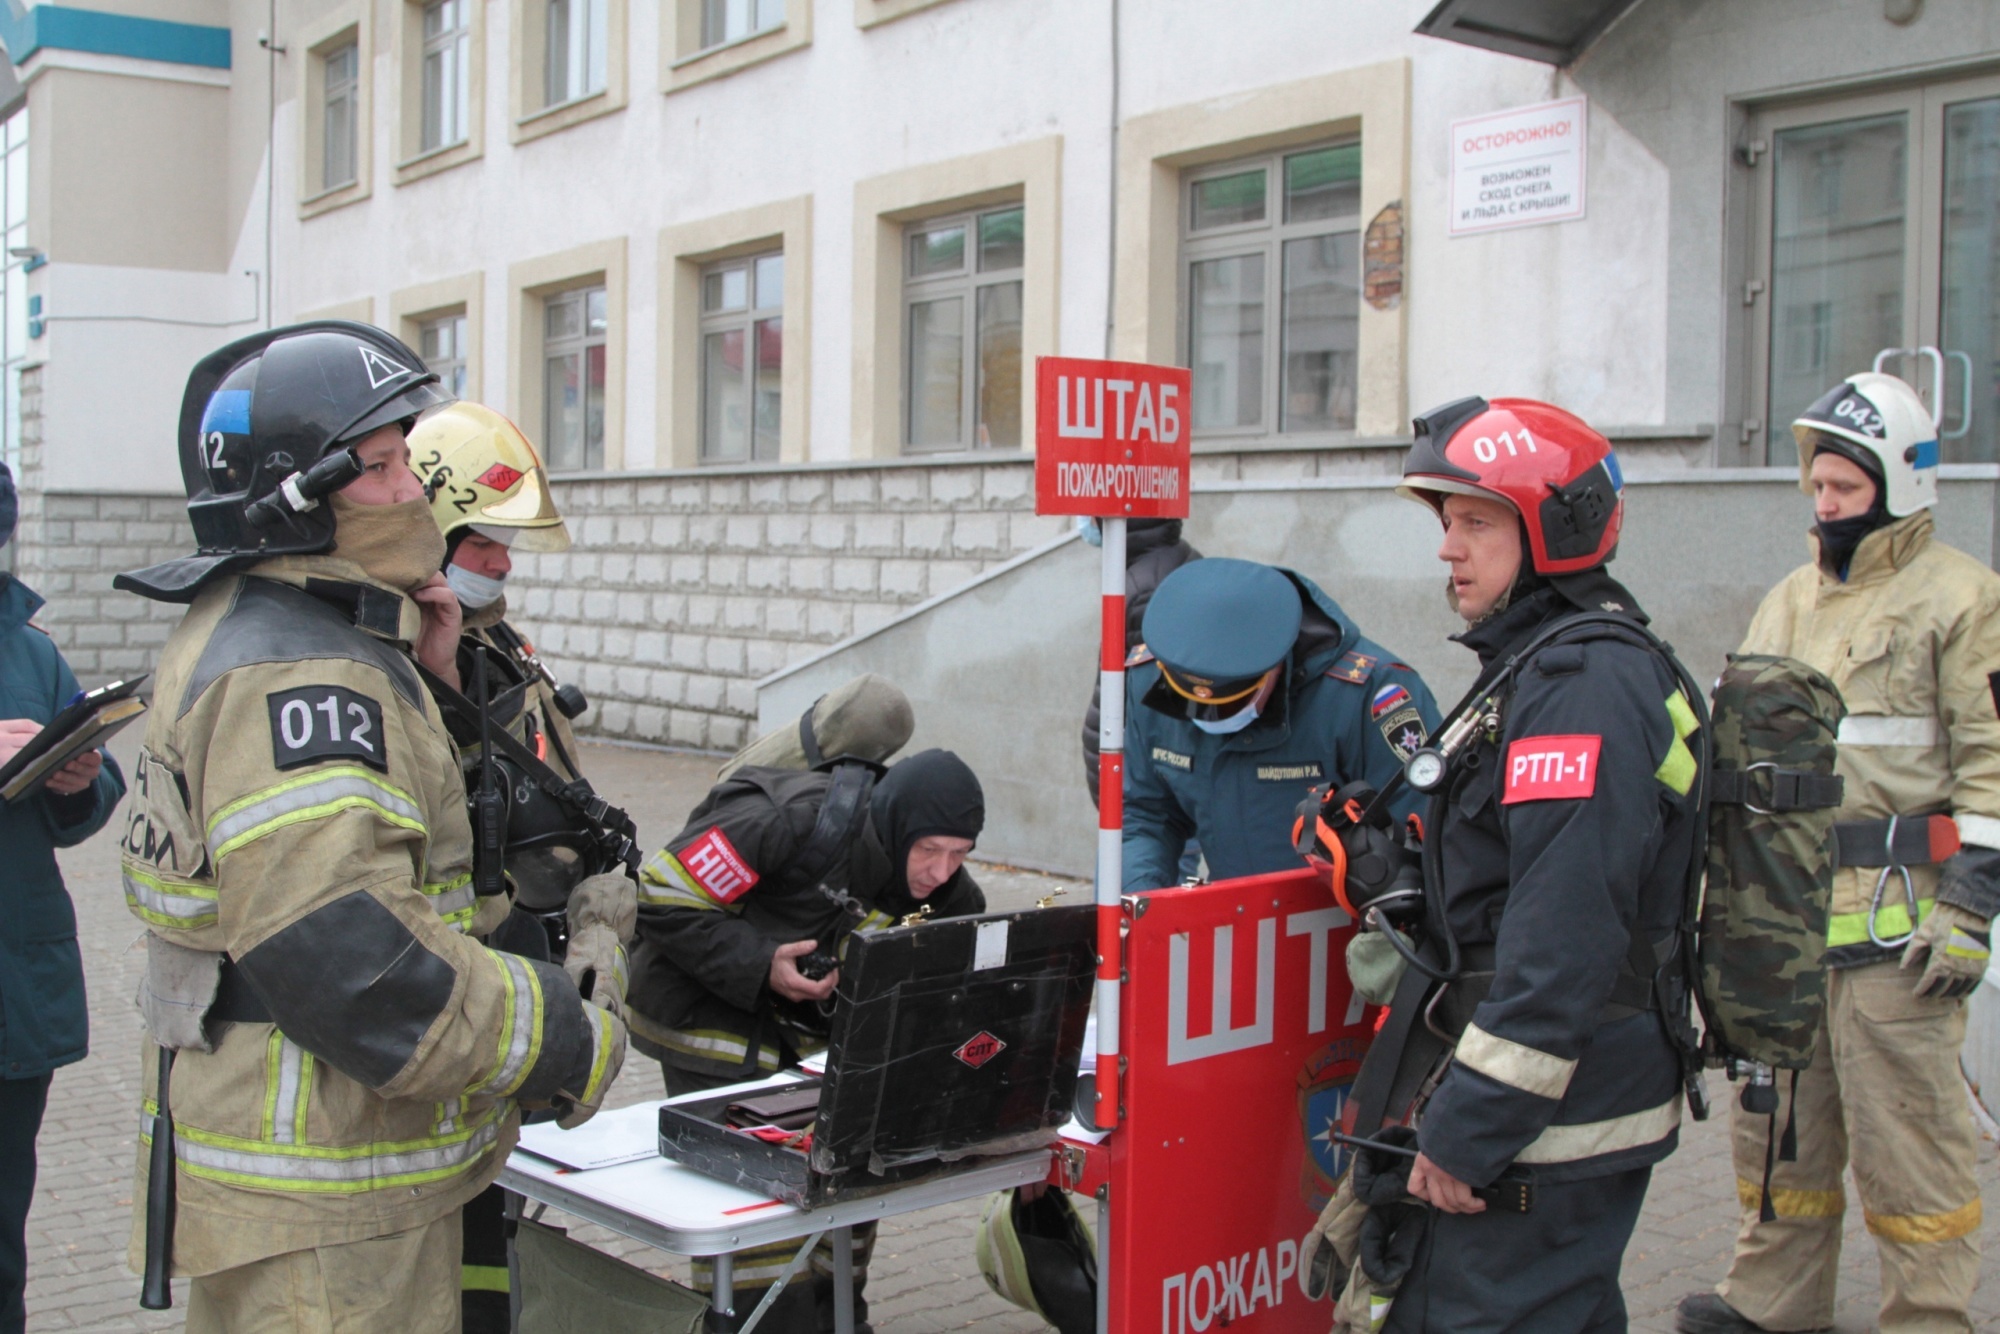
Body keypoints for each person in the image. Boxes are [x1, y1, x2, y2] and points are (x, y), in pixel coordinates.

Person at [113, 322, 623, 1332]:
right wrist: (563, 1039)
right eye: (384, 469)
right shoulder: (302, 672)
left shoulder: (283, 630)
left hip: (304, 1185)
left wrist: (428, 691)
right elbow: (354, 960)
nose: (413, 494)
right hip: (329, 1203)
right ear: (295, 502)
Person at [1677, 373, 1999, 1334]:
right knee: (1778, 1130)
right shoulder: (1788, 597)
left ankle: (1929, 1314)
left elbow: (1992, 760)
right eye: (1816, 488)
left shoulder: (1965, 598)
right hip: (1782, 920)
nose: (1825, 507)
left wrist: (1973, 906)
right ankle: (1776, 1300)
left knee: (1912, 1141)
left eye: (1845, 492)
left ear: (1900, 486)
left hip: (1903, 926)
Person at [1381, 396, 1704, 1332]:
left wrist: (1468, 1127)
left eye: (1476, 521)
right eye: (1446, 522)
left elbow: (1563, 935)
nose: (1449, 547)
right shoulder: (1542, 663)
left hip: (1545, 1122)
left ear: (1554, 530)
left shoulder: (1581, 686)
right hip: (1561, 1101)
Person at [410, 401, 638, 1333]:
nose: (502, 562)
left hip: (533, 956)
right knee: (461, 1244)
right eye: (486, 541)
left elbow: (551, 762)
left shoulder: (495, 638)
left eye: (505, 544)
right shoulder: (396, 657)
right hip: (471, 980)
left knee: (496, 1232)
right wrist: (437, 685)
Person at [626, 748, 988, 1334]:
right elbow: (659, 893)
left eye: (960, 853)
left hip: (805, 1046)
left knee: (844, 1190)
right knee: (754, 1199)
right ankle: (757, 1321)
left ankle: (837, 1318)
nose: (940, 871)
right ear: (895, 831)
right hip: (706, 1020)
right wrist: (760, 961)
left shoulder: (951, 900)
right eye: (928, 851)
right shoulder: (789, 822)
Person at [0, 458, 127, 1334]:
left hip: (14, 992)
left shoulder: (29, 646)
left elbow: (90, 796)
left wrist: (75, 775)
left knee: (2, 1234)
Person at [1120, 557, 1438, 892]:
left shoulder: (1370, 695)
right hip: (1237, 918)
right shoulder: (1147, 680)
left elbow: (1421, 829)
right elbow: (1147, 815)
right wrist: (1141, 901)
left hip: (1344, 923)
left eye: (1230, 701)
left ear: (1276, 665)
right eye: (1189, 701)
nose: (1207, 717)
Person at [1078, 517, 1200, 804]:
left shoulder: (1147, 588)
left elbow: (1138, 704)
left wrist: (1116, 797)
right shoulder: (1173, 561)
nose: (1085, 521)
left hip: (1148, 798)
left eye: (1093, 513)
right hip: (1160, 790)